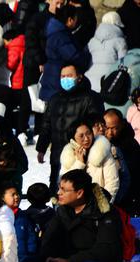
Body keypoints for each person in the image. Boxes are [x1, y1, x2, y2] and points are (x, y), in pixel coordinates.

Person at [36, 63, 105, 193]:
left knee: (78, 190)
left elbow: (96, 124)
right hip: (57, 154)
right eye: (63, 76)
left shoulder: (90, 98)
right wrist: (41, 148)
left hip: (81, 155)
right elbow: (46, 124)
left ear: (79, 77)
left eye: (69, 75)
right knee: (57, 189)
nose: (65, 79)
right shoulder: (54, 99)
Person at [59, 120, 119, 203]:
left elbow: (112, 183)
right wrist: (79, 163)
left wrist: (103, 204)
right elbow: (64, 185)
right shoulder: (68, 157)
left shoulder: (102, 152)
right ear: (73, 139)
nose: (86, 138)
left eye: (88, 133)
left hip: (98, 205)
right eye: (81, 136)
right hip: (74, 206)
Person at [39, 5, 87, 103]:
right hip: (58, 80)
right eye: (75, 19)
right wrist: (86, 57)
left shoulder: (53, 33)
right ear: (70, 20)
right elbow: (73, 56)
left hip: (51, 77)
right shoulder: (61, 36)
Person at [104, 108, 140, 215]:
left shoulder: (130, 144)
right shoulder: (100, 142)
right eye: (107, 128)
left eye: (114, 128)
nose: (110, 132)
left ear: (122, 125)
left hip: (127, 198)